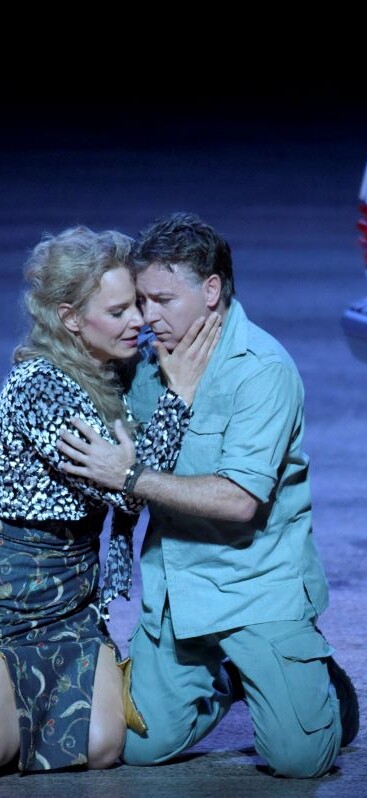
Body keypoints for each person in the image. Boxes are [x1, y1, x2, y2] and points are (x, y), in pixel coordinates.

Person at [57, 211, 360, 779]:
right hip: (180, 591)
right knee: (139, 746)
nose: (147, 316)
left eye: (162, 300)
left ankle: (319, 688)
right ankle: (233, 678)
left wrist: (129, 477)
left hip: (256, 586)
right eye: (141, 300)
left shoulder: (262, 371)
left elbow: (239, 501)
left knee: (298, 761)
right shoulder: (147, 365)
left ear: (212, 290)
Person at [0, 225, 220, 774]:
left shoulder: (109, 368)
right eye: (119, 311)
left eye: (138, 305)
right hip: (12, 595)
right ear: (71, 318)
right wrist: (179, 396)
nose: (138, 321)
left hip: (73, 598)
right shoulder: (40, 387)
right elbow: (125, 492)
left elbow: (129, 477)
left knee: (101, 747)